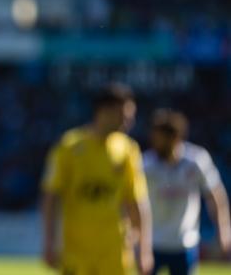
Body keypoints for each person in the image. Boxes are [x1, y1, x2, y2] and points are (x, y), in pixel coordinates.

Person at [41, 83, 153, 275]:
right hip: (76, 252)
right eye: (125, 114)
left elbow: (137, 201)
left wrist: (144, 250)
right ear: (105, 111)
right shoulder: (69, 146)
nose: (130, 120)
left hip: (115, 251)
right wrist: (49, 242)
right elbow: (50, 196)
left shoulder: (128, 150)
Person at [144, 109, 231, 275]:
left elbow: (215, 196)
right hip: (153, 242)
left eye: (158, 136)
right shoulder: (146, 165)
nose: (153, 140)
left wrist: (224, 231)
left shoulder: (196, 161)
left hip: (185, 243)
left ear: (174, 137)